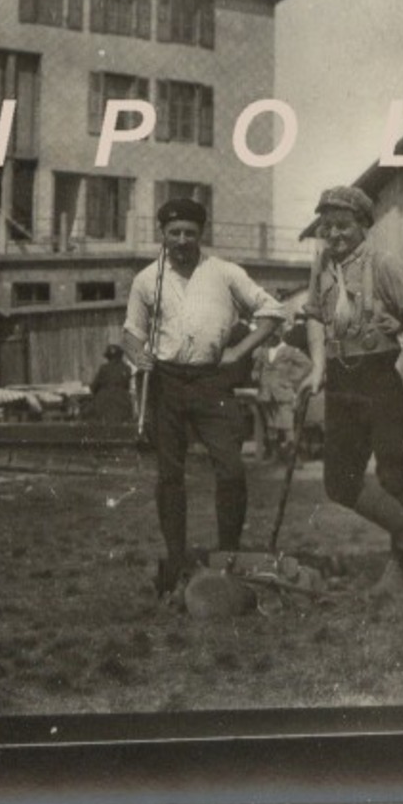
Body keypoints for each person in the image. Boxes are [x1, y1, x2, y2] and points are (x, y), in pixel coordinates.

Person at [123, 197, 286, 592]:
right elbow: (131, 333)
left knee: (231, 469)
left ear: (201, 234)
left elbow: (272, 312)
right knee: (169, 476)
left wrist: (237, 351)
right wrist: (136, 353)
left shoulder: (225, 273)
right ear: (162, 234)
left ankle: (228, 556)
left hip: (212, 382)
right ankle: (177, 559)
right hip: (166, 381)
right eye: (174, 233)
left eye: (190, 233)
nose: (182, 240)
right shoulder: (146, 279)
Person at [297, 186, 403, 597]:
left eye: (343, 226)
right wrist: (318, 365)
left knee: (394, 472)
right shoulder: (323, 266)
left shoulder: (383, 264)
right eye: (327, 226)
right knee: (339, 480)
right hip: (345, 379)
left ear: (363, 225)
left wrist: (400, 371)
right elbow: (313, 315)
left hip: (384, 373)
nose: (335, 234)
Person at [252, 330, 312, 457]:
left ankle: (292, 454)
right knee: (270, 423)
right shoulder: (263, 351)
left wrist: (292, 378)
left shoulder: (289, 351)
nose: (268, 341)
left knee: (287, 423)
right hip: (266, 392)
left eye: (271, 338)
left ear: (278, 337)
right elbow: (256, 367)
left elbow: (307, 365)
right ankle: (273, 453)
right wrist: (256, 375)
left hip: (283, 391)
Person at [88, 344, 134, 423]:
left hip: (105, 404)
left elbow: (94, 387)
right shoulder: (127, 369)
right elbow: (128, 387)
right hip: (122, 404)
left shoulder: (104, 368)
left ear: (108, 357)